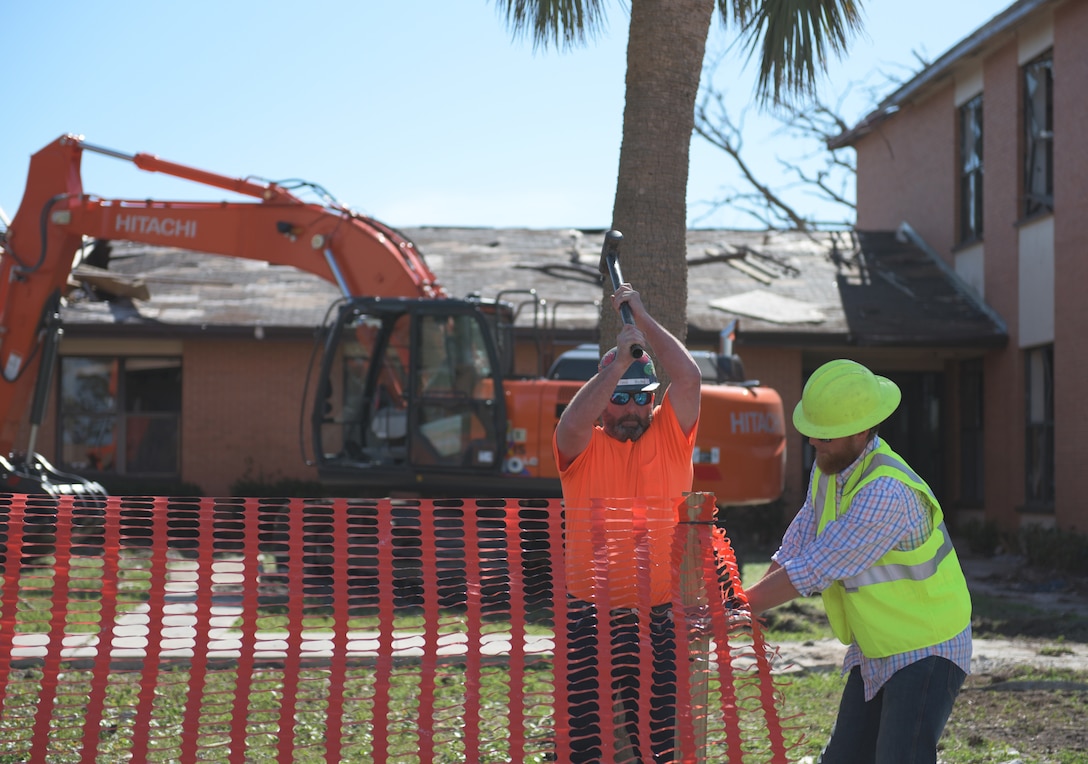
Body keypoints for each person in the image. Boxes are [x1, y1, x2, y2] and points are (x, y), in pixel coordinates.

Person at [744, 359, 972, 764]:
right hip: (877, 645)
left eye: (825, 434)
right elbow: (799, 542)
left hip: (927, 647)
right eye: (812, 430)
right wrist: (742, 602)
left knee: (900, 757)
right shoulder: (830, 468)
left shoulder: (886, 493)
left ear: (862, 430)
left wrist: (737, 609)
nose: (813, 441)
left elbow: (814, 568)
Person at [553, 282, 701, 763]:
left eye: (642, 398)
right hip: (589, 617)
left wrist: (641, 314)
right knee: (583, 749)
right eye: (620, 397)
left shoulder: (671, 436)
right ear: (604, 400)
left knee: (658, 749)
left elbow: (689, 377)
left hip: (658, 618)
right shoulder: (583, 446)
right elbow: (571, 423)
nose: (633, 408)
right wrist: (618, 363)